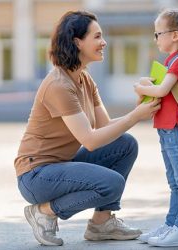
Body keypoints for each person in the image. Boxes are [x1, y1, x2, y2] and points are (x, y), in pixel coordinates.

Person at [14, 10, 160, 246]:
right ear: (77, 42)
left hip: (61, 166)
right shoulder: (59, 84)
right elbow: (90, 140)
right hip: (36, 177)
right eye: (97, 36)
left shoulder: (84, 78)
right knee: (112, 184)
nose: (104, 43)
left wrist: (139, 109)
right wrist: (134, 117)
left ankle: (101, 223)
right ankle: (44, 211)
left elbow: (104, 127)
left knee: (125, 144)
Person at [133, 8, 178, 247]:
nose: (156, 38)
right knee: (174, 181)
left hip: (176, 127)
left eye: (158, 33)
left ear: (174, 35)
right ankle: (171, 225)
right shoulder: (171, 60)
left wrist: (141, 88)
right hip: (165, 127)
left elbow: (162, 91)